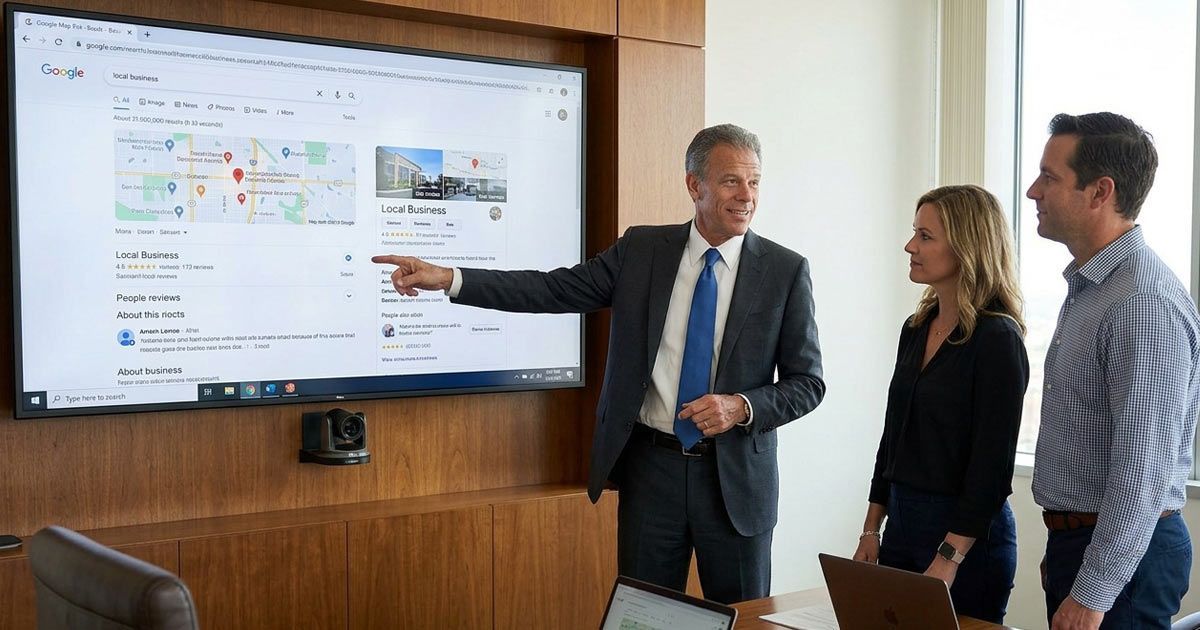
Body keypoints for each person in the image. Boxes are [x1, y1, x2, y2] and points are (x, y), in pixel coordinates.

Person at [372, 123, 824, 603]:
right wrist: (449, 278)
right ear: (695, 185)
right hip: (652, 473)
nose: (746, 196)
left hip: (736, 482)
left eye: (754, 182)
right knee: (644, 615)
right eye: (731, 181)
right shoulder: (642, 251)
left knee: (744, 618)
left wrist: (740, 406)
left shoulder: (785, 270)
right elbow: (551, 289)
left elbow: (808, 383)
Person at [1028, 112, 1200, 630]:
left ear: (1100, 191)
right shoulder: (1095, 290)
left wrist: (1093, 590)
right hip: (1086, 543)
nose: (1034, 190)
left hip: (1125, 559)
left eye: (1050, 177)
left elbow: (1142, 468)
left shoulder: (1141, 302)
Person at [852, 184, 1029, 624]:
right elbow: (892, 440)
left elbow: (991, 469)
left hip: (966, 543)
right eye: (915, 232)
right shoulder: (916, 328)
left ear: (967, 246)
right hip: (902, 524)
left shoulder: (998, 339)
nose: (910, 246)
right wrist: (871, 529)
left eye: (925, 236)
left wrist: (949, 557)